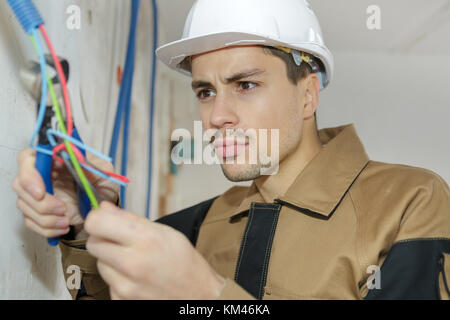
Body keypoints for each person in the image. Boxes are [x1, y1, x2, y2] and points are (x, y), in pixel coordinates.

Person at [12, 0, 450, 300]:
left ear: (308, 95)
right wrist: (87, 223)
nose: (217, 115)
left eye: (245, 85)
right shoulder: (196, 227)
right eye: (205, 91)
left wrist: (207, 293)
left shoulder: (409, 202)